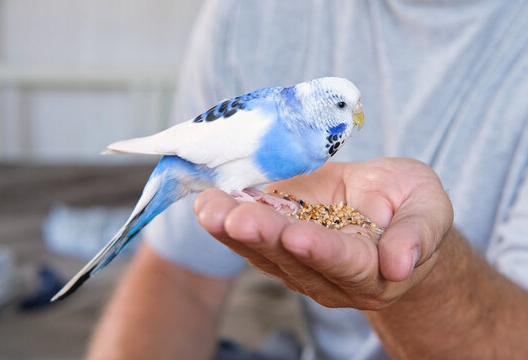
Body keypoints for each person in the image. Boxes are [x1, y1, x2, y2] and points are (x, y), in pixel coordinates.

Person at [87, 1, 528, 359]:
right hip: (189, 168)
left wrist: (428, 267)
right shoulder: (248, 21)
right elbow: (180, 276)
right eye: (343, 109)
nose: (355, 119)